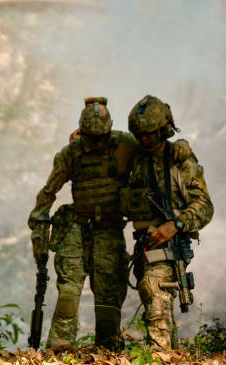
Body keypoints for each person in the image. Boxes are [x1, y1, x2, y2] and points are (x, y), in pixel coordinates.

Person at [28, 97, 192, 352]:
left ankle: (107, 350)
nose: (95, 143)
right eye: (90, 137)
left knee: (108, 299)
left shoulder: (124, 144)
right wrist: (39, 230)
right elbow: (47, 194)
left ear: (109, 130)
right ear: (81, 132)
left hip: (110, 230)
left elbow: (157, 147)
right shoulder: (71, 154)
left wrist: (181, 145)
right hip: (76, 226)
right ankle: (59, 351)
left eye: (100, 137)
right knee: (69, 293)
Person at [124, 95, 213, 350]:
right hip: (144, 245)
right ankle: (170, 362)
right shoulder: (138, 157)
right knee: (155, 300)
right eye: (140, 134)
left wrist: (177, 224)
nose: (144, 140)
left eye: (150, 134)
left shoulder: (180, 161)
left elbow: (205, 206)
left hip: (171, 245)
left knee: (154, 287)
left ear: (163, 129)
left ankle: (158, 357)